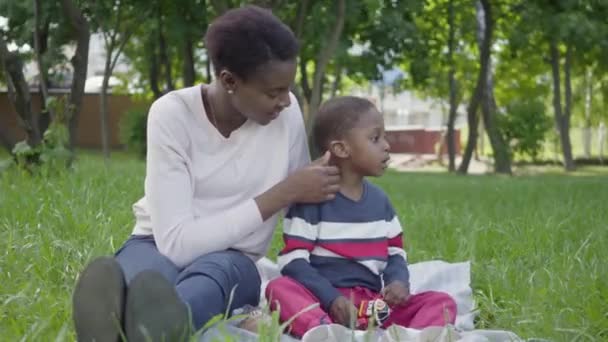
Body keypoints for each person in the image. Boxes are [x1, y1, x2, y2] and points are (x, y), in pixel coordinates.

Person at [71, 6, 341, 342]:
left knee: (210, 279)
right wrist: (283, 192)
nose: (286, 101)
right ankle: (116, 317)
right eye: (273, 92)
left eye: (288, 89)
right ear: (229, 80)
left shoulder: (286, 118)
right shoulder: (173, 115)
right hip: (156, 242)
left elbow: (304, 208)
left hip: (234, 259)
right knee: (144, 280)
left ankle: (160, 327)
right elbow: (176, 245)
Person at [265, 96, 457, 338]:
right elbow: (293, 261)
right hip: (324, 300)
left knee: (441, 302)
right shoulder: (312, 199)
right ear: (341, 149)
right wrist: (332, 299)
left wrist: (398, 282)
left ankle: (407, 337)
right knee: (278, 288)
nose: (386, 145)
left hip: (373, 307)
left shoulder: (381, 202)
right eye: (375, 138)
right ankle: (323, 331)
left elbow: (395, 253)